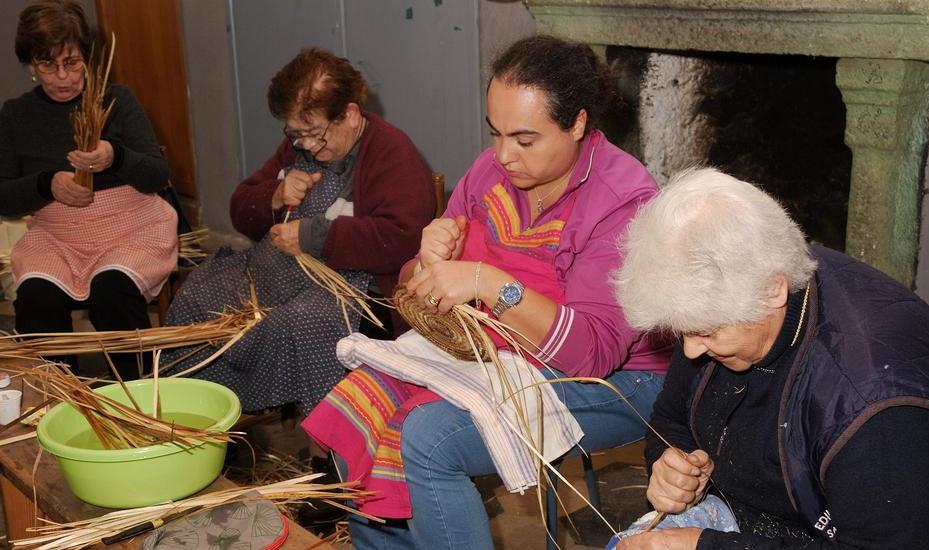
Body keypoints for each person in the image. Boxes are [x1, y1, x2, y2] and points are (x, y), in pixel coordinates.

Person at [302, 35, 675, 548]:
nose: (503, 155)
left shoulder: (622, 201)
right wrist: (426, 260)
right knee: (359, 403)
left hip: (622, 379)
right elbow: (421, 299)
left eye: (524, 140)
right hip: (503, 350)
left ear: (578, 124)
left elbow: (591, 353)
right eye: (495, 133)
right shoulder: (489, 174)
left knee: (430, 440)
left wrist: (486, 280)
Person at [613, 168, 929, 549]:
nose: (690, 351)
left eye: (705, 332)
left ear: (774, 290)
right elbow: (670, 419)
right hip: (760, 518)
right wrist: (670, 465)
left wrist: (707, 546)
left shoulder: (878, 407)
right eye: (683, 332)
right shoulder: (735, 289)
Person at [162, 48, 433, 418]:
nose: (306, 145)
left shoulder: (391, 153)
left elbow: (401, 237)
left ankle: (325, 445)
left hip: (357, 290)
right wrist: (273, 195)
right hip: (276, 275)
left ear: (350, 115)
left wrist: (313, 236)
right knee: (199, 296)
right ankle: (205, 419)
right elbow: (240, 208)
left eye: (315, 134)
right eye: (296, 134)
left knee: (300, 322)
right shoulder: (297, 148)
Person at [1, 0, 176, 380]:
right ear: (30, 64)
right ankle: (62, 401)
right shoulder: (15, 115)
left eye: (72, 62)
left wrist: (114, 157)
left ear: (87, 57)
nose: (63, 77)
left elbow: (157, 175)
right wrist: (47, 184)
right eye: (48, 65)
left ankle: (139, 398)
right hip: (57, 236)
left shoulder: (118, 101)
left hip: (129, 228)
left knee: (111, 292)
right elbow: (4, 199)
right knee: (36, 301)